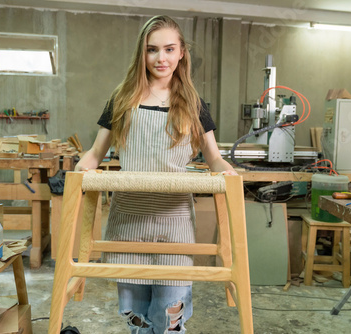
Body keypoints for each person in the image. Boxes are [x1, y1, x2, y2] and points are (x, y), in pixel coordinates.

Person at [75, 15, 237, 334]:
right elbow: (95, 154)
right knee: (136, 315)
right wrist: (82, 170)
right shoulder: (122, 99)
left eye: (168, 49)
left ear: (181, 54)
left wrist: (228, 172)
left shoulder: (194, 104)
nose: (160, 58)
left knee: (169, 314)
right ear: (142, 54)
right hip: (128, 219)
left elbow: (214, 157)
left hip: (174, 221)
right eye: (152, 50)